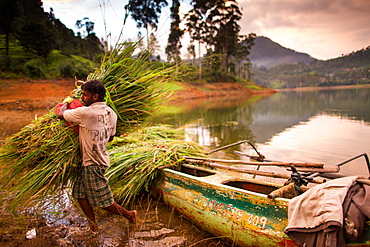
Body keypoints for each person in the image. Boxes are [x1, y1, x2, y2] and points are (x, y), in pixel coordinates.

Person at [57, 79, 137, 232]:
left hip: (94, 162)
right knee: (80, 193)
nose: (82, 98)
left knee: (104, 201)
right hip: (94, 158)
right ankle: (93, 226)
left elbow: (60, 115)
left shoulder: (85, 112)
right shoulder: (112, 113)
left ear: (95, 97)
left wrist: (66, 102)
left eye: (85, 95)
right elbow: (111, 137)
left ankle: (129, 215)